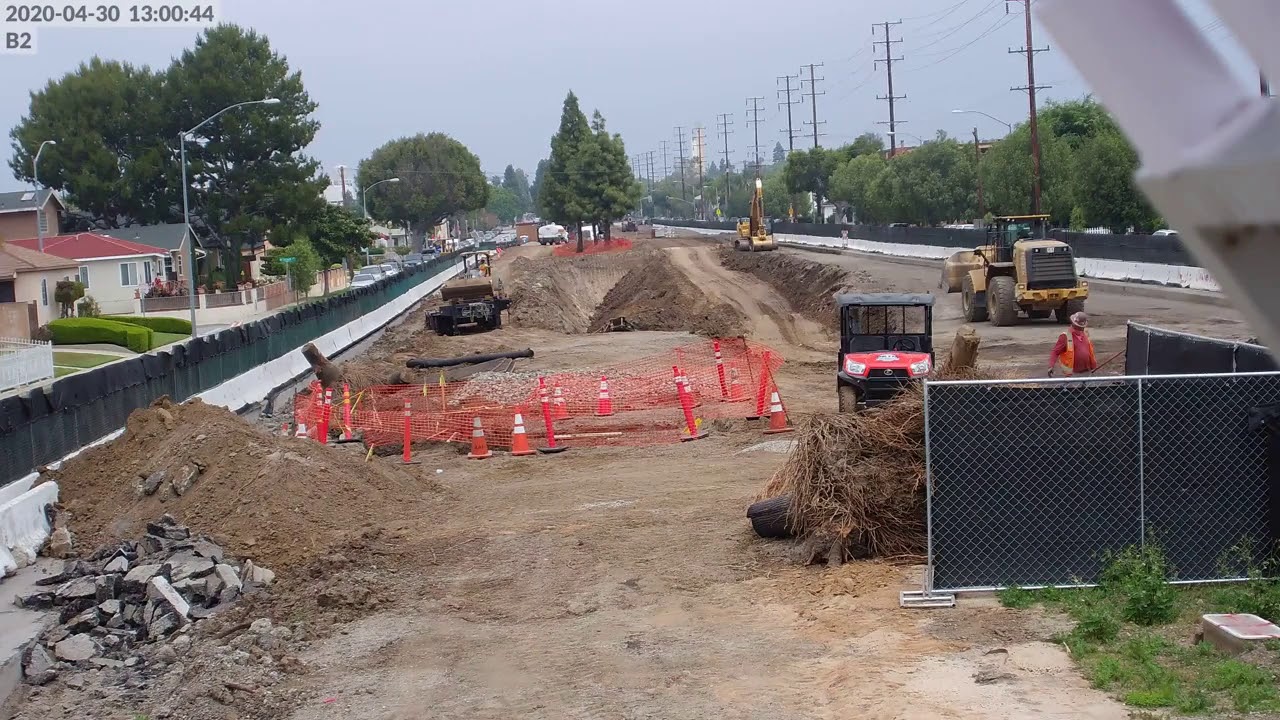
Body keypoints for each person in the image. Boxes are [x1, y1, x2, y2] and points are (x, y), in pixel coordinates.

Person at [1048, 311, 1098, 376]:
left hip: (1087, 371)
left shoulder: (1085, 333)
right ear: (1073, 324)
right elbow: (1055, 352)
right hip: (1073, 374)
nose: (1082, 328)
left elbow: (1089, 351)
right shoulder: (1065, 337)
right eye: (1080, 326)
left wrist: (1093, 366)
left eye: (1082, 326)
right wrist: (1051, 366)